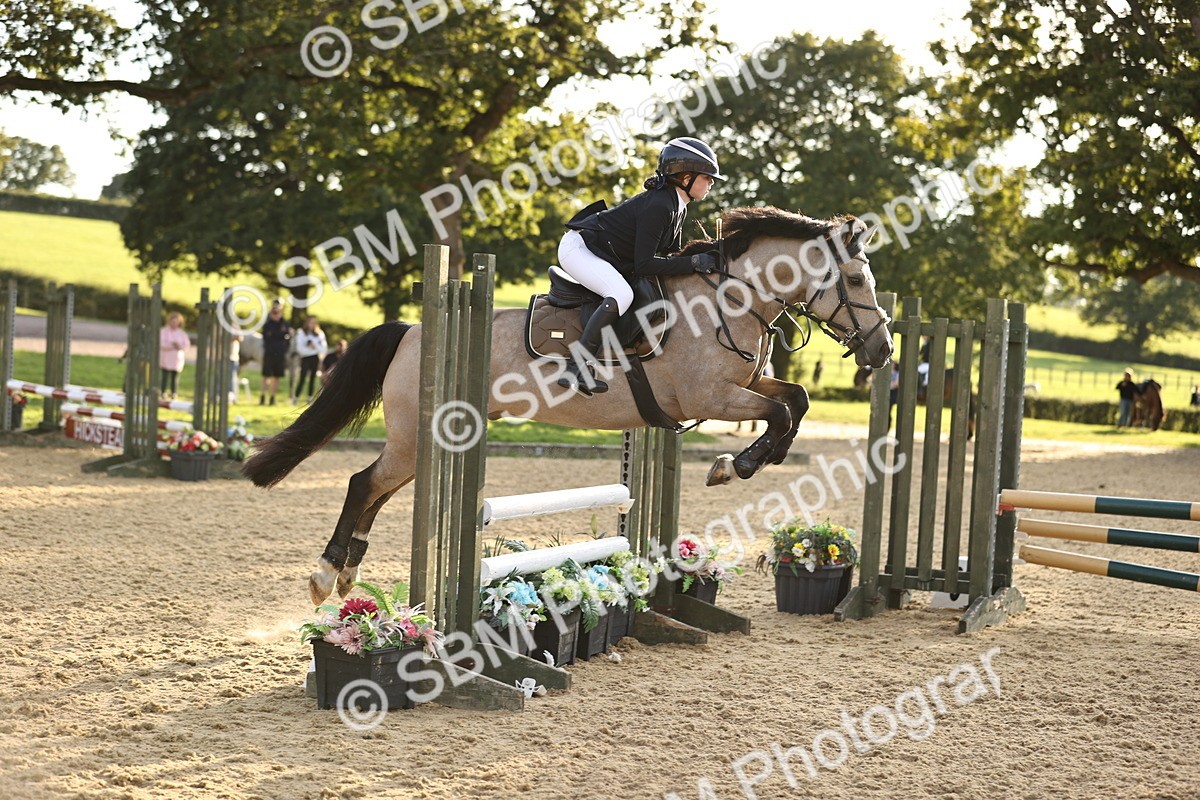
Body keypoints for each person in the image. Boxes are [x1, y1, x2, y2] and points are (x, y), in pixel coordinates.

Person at [556, 136, 724, 395]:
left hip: (603, 253)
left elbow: (671, 253)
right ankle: (576, 366)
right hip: (579, 249)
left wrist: (708, 253)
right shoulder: (660, 206)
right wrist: (693, 262)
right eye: (706, 176)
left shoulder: (677, 206)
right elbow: (645, 264)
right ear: (685, 176)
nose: (711, 182)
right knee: (622, 294)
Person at [260, 301, 291, 405]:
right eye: (274, 312)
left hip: (280, 354)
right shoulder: (268, 324)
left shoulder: (285, 324)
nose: (275, 314)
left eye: (277, 312)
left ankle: (272, 397)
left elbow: (287, 338)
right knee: (266, 375)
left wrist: (277, 336)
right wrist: (280, 336)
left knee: (276, 376)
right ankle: (263, 396)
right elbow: (267, 337)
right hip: (269, 353)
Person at [293, 315, 327, 403]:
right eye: (310, 322)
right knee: (302, 378)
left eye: (314, 323)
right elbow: (300, 349)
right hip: (305, 358)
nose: (312, 325)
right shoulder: (301, 333)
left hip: (315, 358)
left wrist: (314, 346)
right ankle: (295, 398)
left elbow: (323, 348)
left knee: (312, 378)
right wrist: (310, 349)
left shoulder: (319, 334)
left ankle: (310, 398)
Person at [158, 312, 190, 399]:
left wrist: (179, 346)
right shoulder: (164, 331)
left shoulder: (181, 333)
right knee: (165, 375)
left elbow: (186, 345)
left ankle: (174, 392)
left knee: (175, 377)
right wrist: (172, 345)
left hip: (176, 358)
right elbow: (161, 343)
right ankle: (163, 391)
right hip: (166, 356)